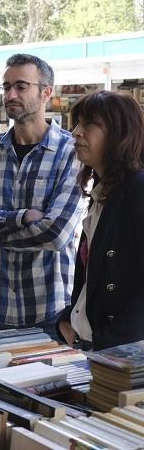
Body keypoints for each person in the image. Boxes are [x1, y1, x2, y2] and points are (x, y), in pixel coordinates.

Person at [0, 53, 82, 337]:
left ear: (46, 92)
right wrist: (21, 218)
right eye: (6, 86)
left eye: (21, 86)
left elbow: (56, 234)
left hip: (49, 315)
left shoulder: (70, 152)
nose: (10, 94)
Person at [57, 91, 144, 351]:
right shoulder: (102, 191)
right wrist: (69, 316)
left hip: (123, 354)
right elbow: (92, 275)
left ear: (120, 132)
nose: (75, 133)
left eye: (89, 123)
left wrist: (109, 340)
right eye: (77, 123)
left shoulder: (138, 189)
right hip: (94, 347)